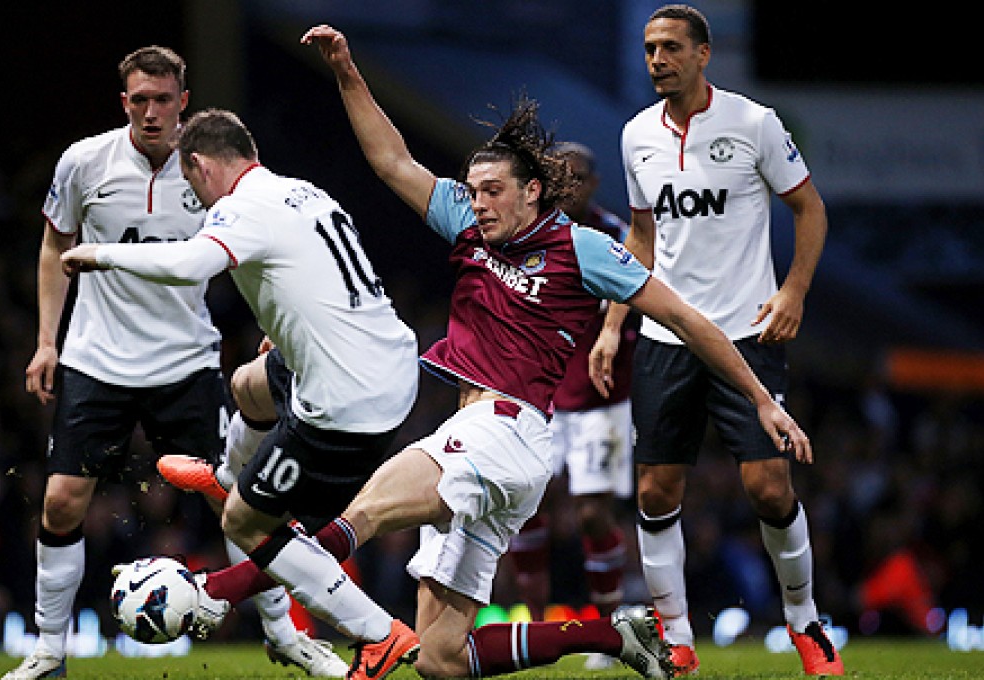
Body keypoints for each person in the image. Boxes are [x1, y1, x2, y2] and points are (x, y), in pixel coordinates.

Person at [282, 24, 807, 680]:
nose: (477, 204)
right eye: (471, 192)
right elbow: (393, 162)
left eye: (492, 190)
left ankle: (223, 589)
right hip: (482, 435)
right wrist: (347, 73)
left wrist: (762, 400)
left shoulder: (583, 248)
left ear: (532, 191)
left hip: (505, 430)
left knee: (356, 517)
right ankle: (613, 638)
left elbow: (687, 320)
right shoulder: (470, 226)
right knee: (442, 662)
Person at [6, 48, 343, 680]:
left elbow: (255, 252)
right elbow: (56, 244)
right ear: (123, 101)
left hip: (186, 364)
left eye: (163, 99)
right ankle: (50, 651)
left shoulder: (210, 168)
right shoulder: (85, 162)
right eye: (139, 100)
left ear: (184, 101)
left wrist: (271, 328)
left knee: (238, 504)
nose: (152, 112)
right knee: (60, 503)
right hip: (97, 361)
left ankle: (284, 633)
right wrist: (46, 341)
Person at [60, 108, 420, 678]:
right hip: (386, 361)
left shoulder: (239, 208)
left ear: (199, 164)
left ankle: (378, 635)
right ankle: (228, 473)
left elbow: (190, 264)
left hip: (347, 401)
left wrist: (101, 254)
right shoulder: (301, 191)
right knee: (249, 385)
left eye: (189, 178)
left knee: (245, 525)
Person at [589, 5, 841, 676]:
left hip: (746, 335)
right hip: (665, 338)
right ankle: (676, 637)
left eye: (670, 47)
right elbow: (640, 240)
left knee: (766, 487)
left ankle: (804, 621)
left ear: (703, 55)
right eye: (648, 48)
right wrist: (615, 323)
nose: (656, 60)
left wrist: (793, 292)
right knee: (654, 493)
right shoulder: (636, 133)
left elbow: (810, 208)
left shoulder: (754, 123)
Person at [505, 142, 638, 670]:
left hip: (602, 402)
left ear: (595, 183)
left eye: (578, 176)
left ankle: (607, 632)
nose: (570, 185)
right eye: (559, 177)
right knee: (527, 509)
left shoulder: (619, 237)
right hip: (539, 398)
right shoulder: (528, 237)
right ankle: (537, 629)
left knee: (590, 513)